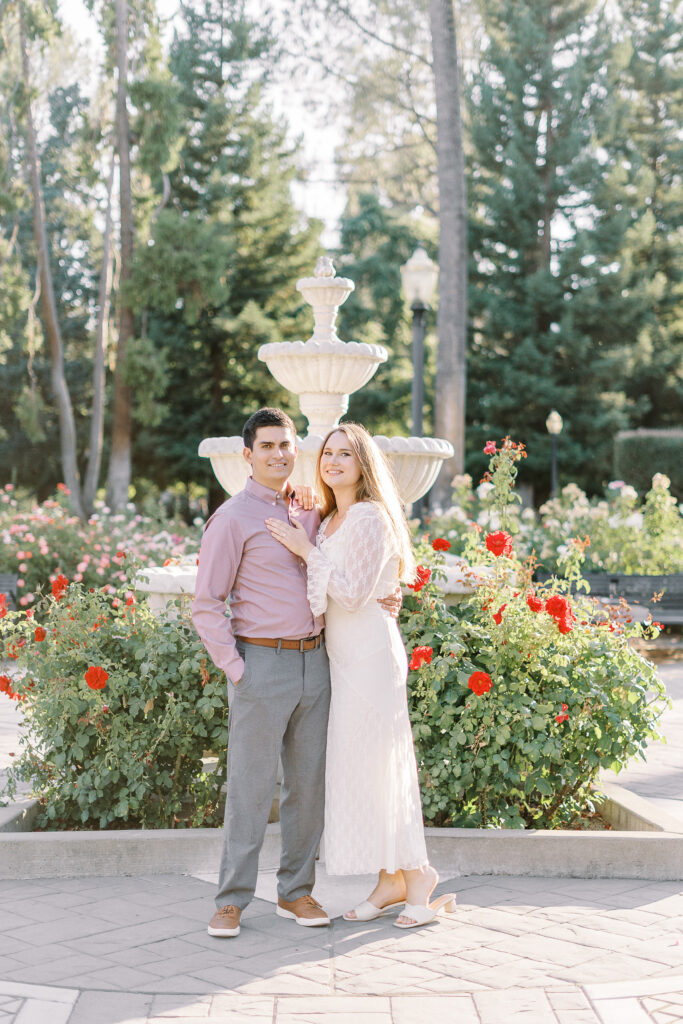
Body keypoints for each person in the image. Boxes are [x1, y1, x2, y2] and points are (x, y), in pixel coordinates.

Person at [192, 407, 399, 938]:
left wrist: (385, 596)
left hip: (319, 661)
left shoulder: (311, 511)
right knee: (251, 788)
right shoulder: (231, 518)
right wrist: (238, 669)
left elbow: (346, 564)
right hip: (261, 664)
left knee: (307, 786)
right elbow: (206, 604)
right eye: (267, 446)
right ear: (248, 455)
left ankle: (296, 892)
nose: (279, 454)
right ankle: (232, 900)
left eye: (286, 445)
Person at [266, 423, 456, 929]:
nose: (333, 461)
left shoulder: (371, 516)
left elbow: (352, 595)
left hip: (371, 657)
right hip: (341, 658)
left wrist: (306, 553)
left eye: (346, 454)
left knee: (383, 767)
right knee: (359, 770)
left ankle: (418, 877)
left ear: (363, 463)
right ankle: (388, 879)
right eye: (327, 453)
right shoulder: (328, 518)